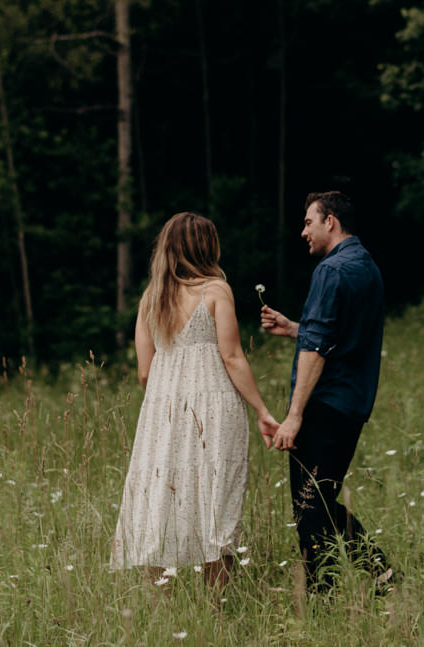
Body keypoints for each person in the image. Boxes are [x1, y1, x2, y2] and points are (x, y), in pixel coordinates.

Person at [111, 212, 281, 588]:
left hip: (163, 411)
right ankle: (216, 604)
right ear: (207, 247)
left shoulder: (150, 299)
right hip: (215, 406)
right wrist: (262, 410)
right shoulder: (216, 290)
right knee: (215, 496)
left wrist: (166, 400)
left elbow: (144, 370)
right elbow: (232, 356)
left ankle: (161, 603)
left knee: (161, 495)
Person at [261, 190, 395, 594]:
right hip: (352, 405)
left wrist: (295, 414)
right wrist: (293, 328)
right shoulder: (366, 265)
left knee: (308, 508)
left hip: (323, 407)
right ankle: (383, 575)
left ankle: (322, 599)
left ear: (330, 222)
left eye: (308, 222)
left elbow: (318, 348)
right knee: (322, 499)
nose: (303, 231)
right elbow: (339, 337)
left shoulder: (331, 271)